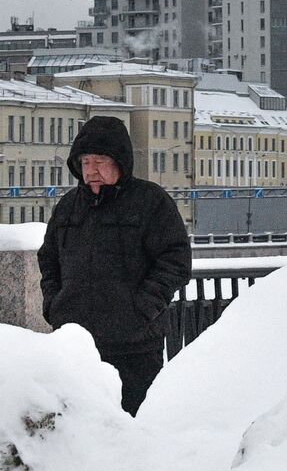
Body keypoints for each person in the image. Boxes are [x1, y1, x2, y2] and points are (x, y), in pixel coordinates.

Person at [37, 115, 192, 416]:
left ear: (120, 162)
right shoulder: (68, 206)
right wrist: (54, 305)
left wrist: (143, 308)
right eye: (84, 163)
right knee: (79, 435)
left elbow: (175, 260)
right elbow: (49, 258)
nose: (91, 171)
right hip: (75, 348)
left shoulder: (151, 202)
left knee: (132, 436)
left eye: (100, 161)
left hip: (134, 349)